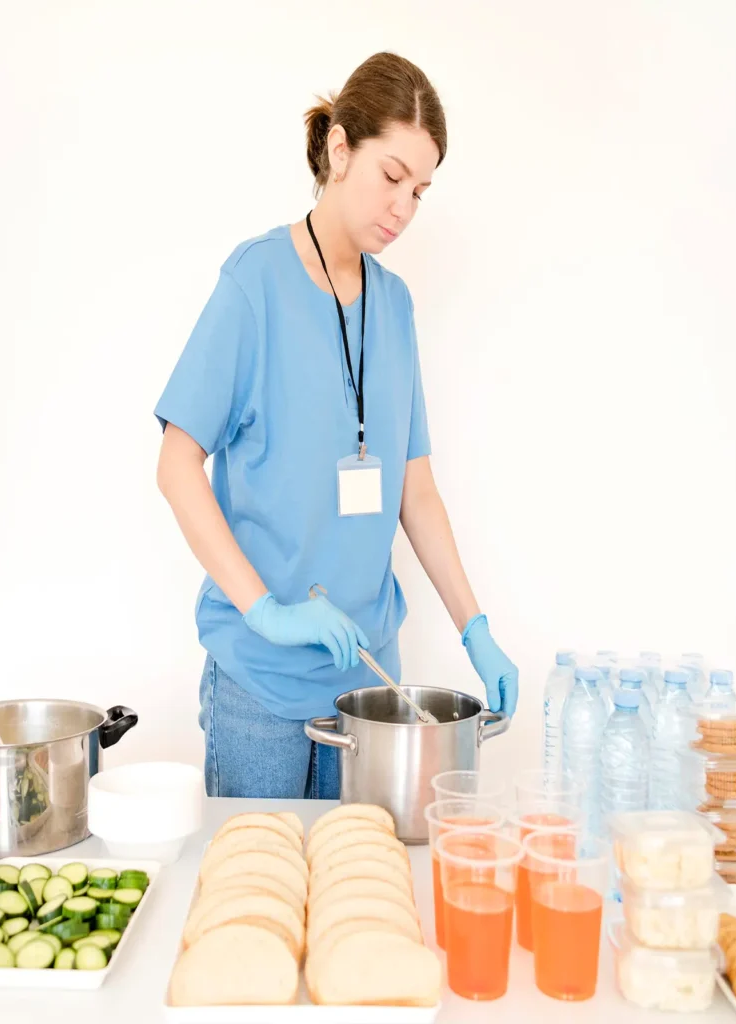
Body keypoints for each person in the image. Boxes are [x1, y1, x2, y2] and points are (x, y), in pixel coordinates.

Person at [154, 52, 518, 799]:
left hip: (369, 690)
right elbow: (176, 462)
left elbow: (415, 488)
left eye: (420, 191)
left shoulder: (396, 306)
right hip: (260, 681)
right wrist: (266, 610)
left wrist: (474, 629)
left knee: (361, 901)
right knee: (256, 904)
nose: (404, 209)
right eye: (392, 177)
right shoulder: (254, 283)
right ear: (339, 148)